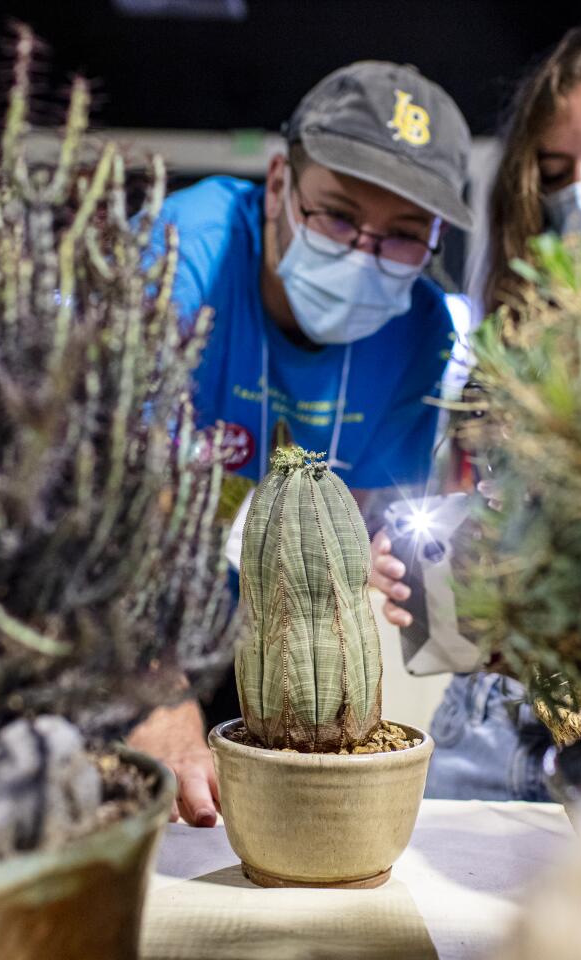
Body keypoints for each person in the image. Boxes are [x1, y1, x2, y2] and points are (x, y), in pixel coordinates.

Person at [370, 21, 581, 801]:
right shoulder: (514, 340)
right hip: (496, 730)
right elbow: (494, 526)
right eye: (556, 171)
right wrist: (453, 590)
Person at [128, 61, 474, 827]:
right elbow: (101, 512)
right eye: (338, 217)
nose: (363, 253)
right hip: (121, 626)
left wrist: (369, 560)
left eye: (404, 238)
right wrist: (154, 691)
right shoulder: (180, 258)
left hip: (249, 637)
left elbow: (365, 511)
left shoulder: (419, 332)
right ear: (281, 181)